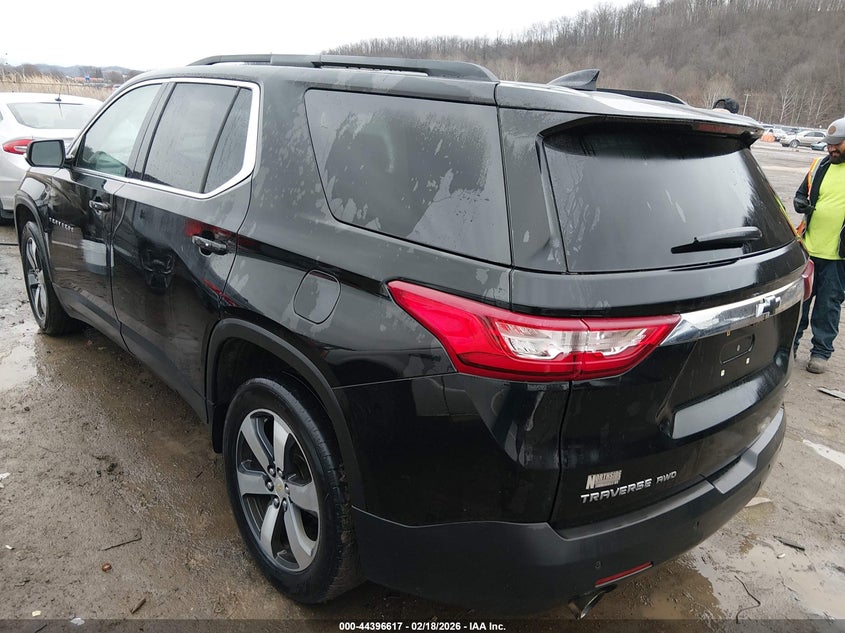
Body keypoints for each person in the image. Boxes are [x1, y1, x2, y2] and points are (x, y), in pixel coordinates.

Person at [792, 116, 845, 374]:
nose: (831, 148)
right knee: (799, 303)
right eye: (829, 144)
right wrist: (800, 203)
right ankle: (790, 346)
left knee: (828, 306)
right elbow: (800, 194)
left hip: (838, 257)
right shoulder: (818, 166)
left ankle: (821, 352)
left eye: (837, 144)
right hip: (809, 250)